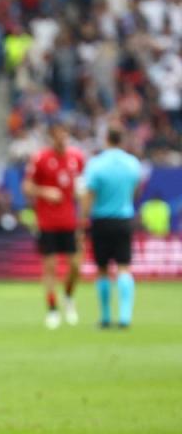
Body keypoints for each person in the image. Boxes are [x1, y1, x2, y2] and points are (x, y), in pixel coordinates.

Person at [22, 122, 86, 329]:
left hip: (69, 220)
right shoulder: (40, 158)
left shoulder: (76, 158)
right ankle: (52, 309)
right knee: (50, 267)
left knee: (76, 266)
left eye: (64, 134)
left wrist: (83, 205)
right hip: (47, 221)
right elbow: (27, 186)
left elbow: (82, 186)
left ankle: (68, 297)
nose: (62, 138)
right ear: (52, 137)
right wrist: (44, 192)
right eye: (58, 134)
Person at [81, 127, 143, 329]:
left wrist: (83, 218)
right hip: (123, 219)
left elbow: (89, 195)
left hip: (101, 221)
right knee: (124, 266)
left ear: (106, 139)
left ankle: (106, 317)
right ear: (122, 139)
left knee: (102, 269)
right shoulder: (132, 163)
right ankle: (125, 317)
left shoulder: (96, 164)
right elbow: (135, 190)